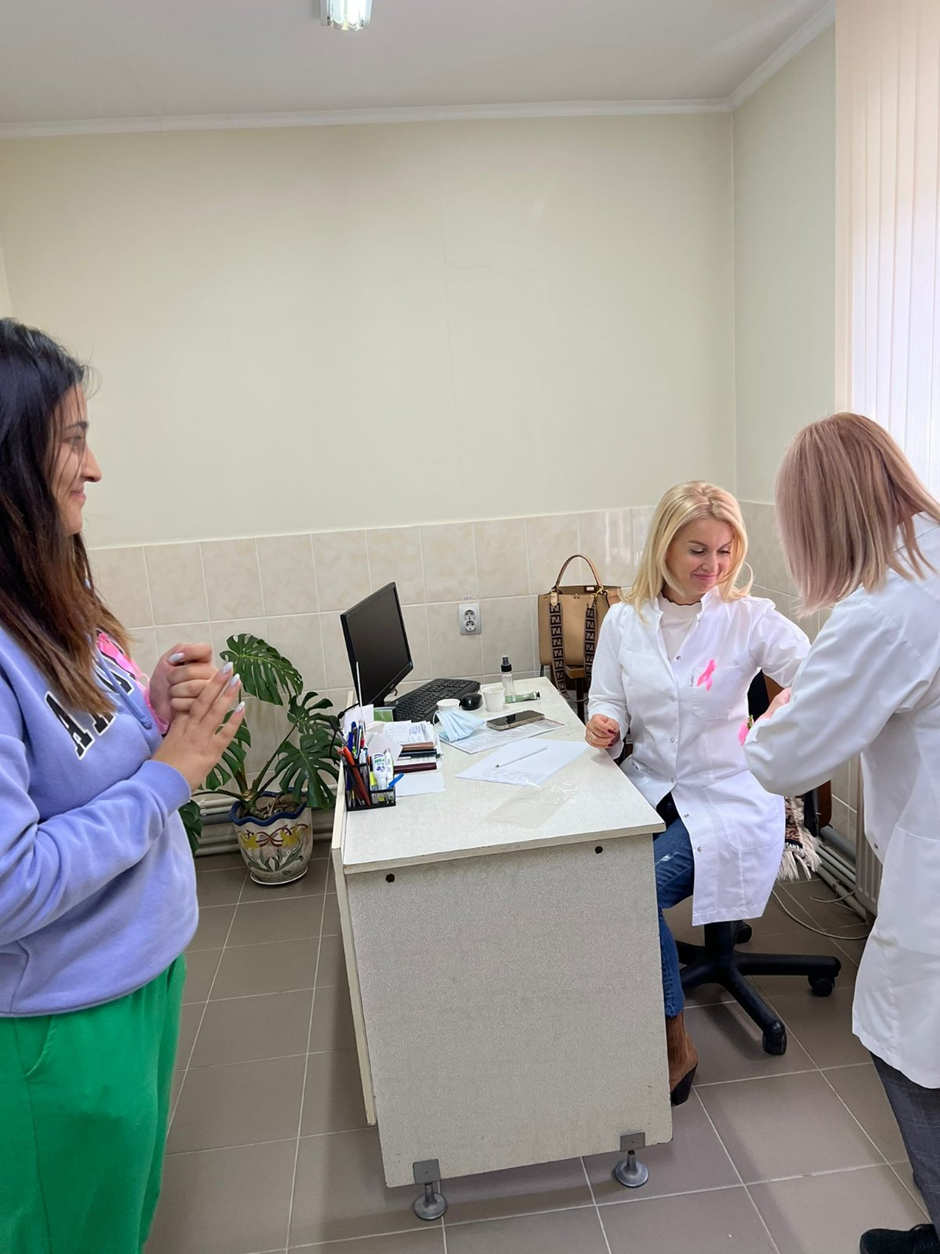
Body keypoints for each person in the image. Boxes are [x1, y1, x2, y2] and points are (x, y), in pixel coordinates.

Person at [0, 318, 245, 1254]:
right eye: (72, 441)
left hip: (131, 978)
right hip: (58, 1028)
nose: (93, 469)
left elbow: (75, 752)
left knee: (116, 1222)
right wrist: (166, 775)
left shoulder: (43, 599)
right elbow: (9, 884)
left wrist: (150, 706)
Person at [745, 414, 940, 1254]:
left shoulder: (884, 610)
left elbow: (783, 757)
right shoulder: (929, 554)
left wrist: (773, 715)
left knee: (909, 1049)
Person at [585, 481, 808, 1104]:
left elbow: (821, 675)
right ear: (664, 547)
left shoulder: (748, 618)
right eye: (697, 550)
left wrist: (779, 714)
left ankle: (673, 1041)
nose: (714, 566)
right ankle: (619, 1003)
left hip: (728, 795)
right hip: (652, 785)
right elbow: (608, 697)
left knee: (632, 891)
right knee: (589, 871)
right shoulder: (625, 620)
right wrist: (604, 723)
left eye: (726, 550)